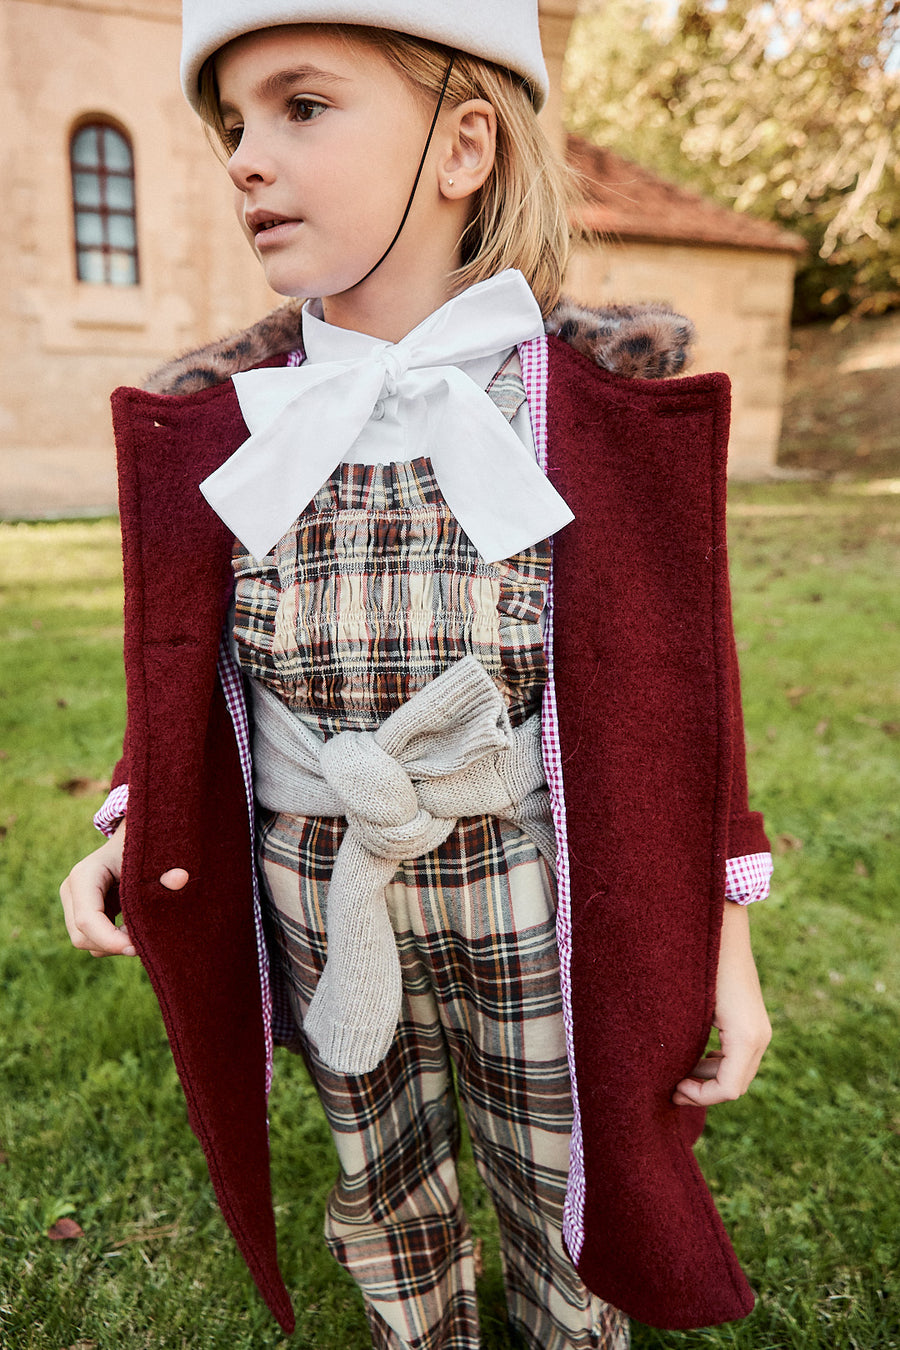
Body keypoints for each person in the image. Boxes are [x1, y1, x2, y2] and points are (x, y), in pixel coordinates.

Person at [59, 4, 773, 1348]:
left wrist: (719, 943)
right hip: (320, 893)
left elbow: (692, 695)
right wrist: (135, 811)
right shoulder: (240, 425)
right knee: (376, 1174)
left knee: (564, 1174)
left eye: (301, 107)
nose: (246, 159)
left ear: (462, 147)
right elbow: (187, 662)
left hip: (533, 899)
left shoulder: (600, 421)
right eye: (234, 125)